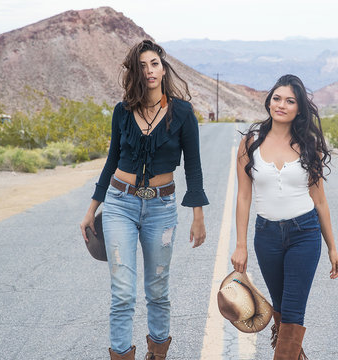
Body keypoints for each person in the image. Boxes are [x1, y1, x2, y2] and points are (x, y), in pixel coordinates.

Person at [80, 40, 209, 360]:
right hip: (120, 204)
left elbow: (193, 165)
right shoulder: (122, 112)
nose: (149, 70)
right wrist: (92, 209)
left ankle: (157, 354)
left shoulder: (182, 113)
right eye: (142, 66)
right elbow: (111, 162)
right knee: (122, 293)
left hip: (161, 209)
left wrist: (198, 215)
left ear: (163, 68)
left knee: (158, 291)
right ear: (135, 73)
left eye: (154, 63)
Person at [231, 74, 338, 359]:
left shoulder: (309, 145)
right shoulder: (251, 143)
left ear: (299, 109)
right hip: (266, 236)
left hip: (304, 234)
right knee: (280, 307)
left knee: (293, 311)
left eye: (290, 101)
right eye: (277, 98)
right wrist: (240, 244)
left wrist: (332, 247)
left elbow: (319, 199)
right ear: (269, 102)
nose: (281, 105)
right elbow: (243, 197)